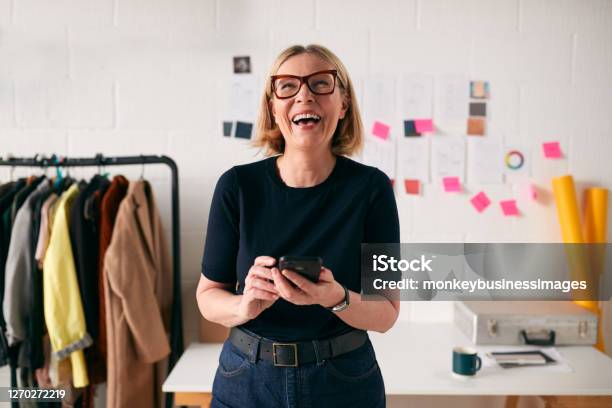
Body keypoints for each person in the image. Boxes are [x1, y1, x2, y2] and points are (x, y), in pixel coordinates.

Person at [196, 44, 400, 408]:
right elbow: (208, 296)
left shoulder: (372, 189)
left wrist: (334, 297)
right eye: (287, 86)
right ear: (273, 108)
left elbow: (386, 313)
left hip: (343, 381)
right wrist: (245, 306)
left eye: (321, 83)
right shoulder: (237, 186)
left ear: (343, 103)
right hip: (247, 379)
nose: (304, 94)